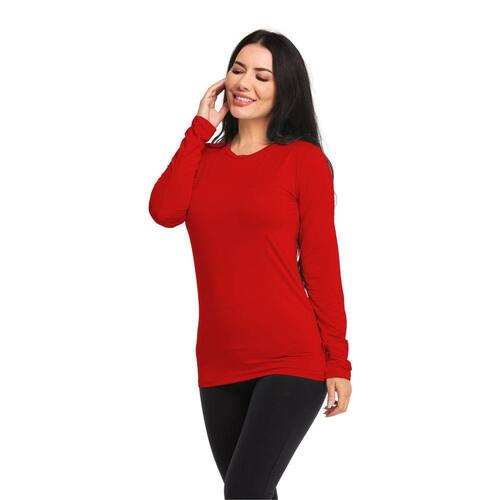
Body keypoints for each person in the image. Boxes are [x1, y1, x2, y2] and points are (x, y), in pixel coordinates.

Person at [149, 29, 353, 499]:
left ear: (285, 90)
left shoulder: (303, 161)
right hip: (219, 360)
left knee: (243, 492)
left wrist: (337, 360)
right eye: (238, 70)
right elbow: (164, 211)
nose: (244, 83)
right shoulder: (204, 158)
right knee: (250, 494)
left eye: (263, 76)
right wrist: (199, 130)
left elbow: (322, 266)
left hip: (290, 357)